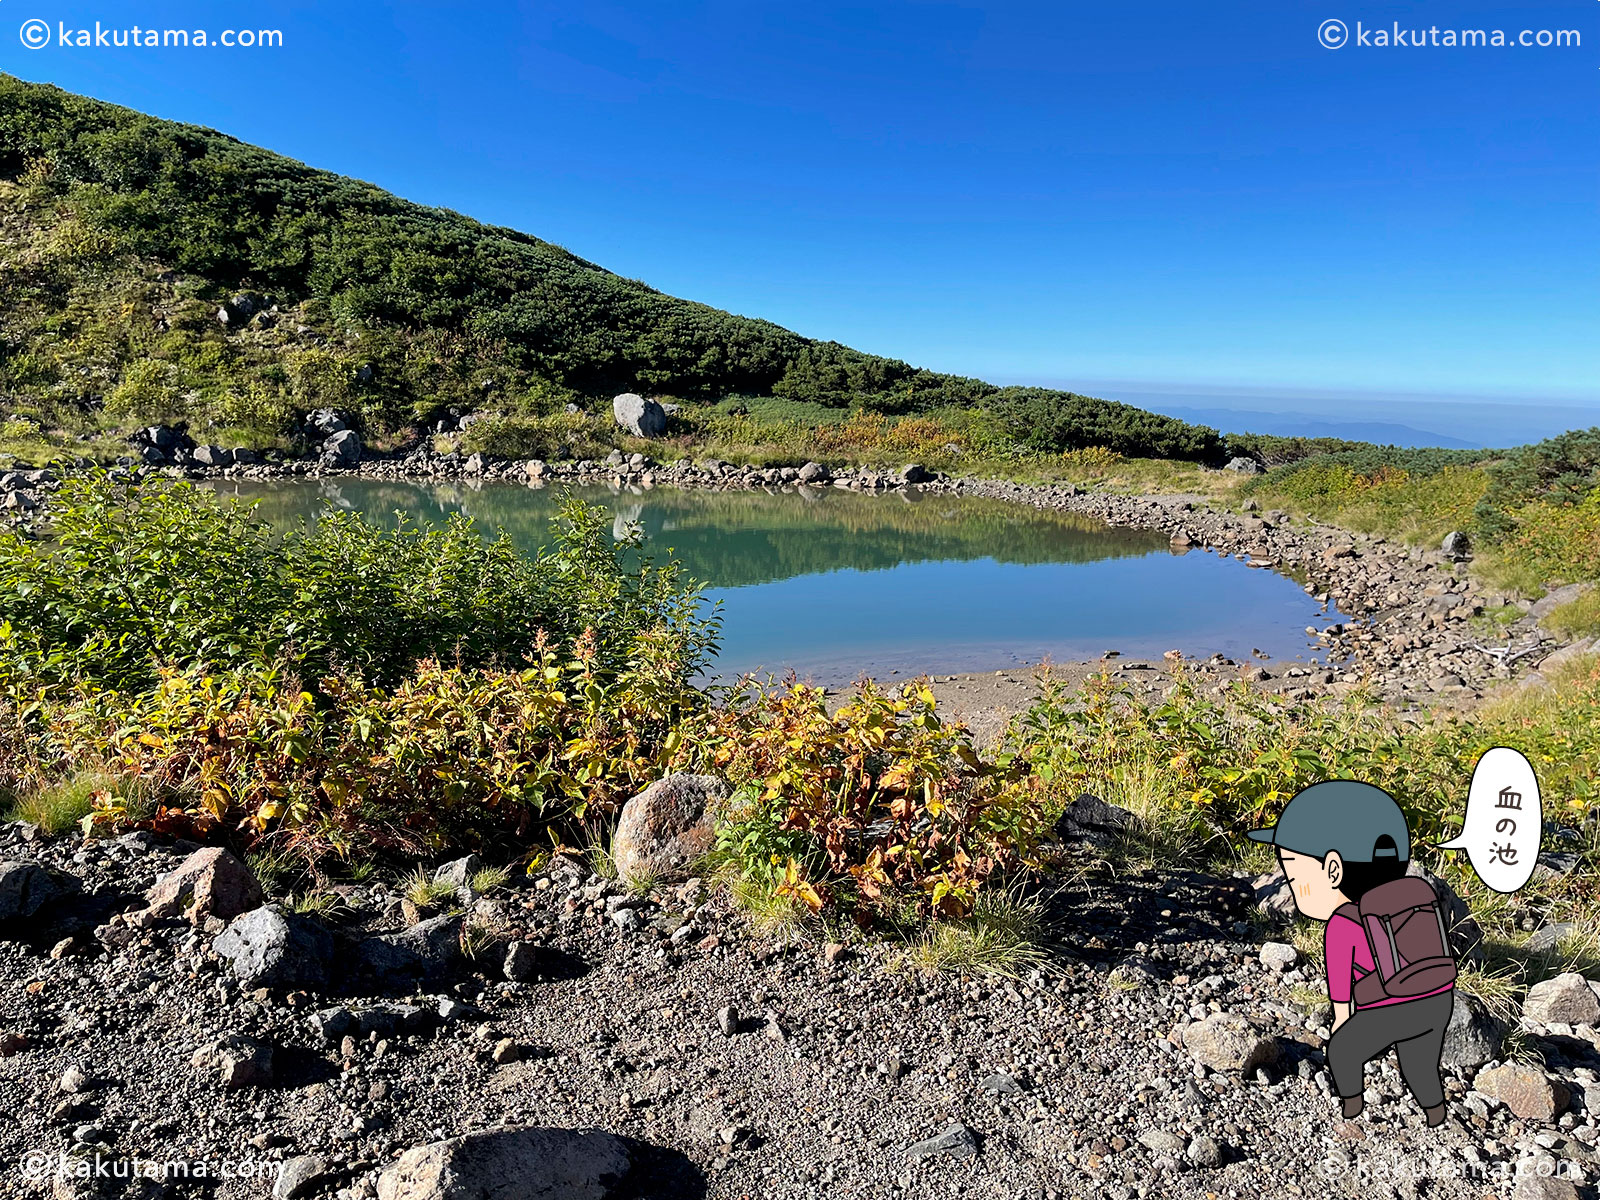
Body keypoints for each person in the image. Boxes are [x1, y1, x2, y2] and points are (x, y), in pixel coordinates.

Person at [1248, 780, 1455, 1127]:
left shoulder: (1342, 923)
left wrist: (1344, 1026)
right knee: (1418, 1061)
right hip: (1438, 996)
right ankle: (1435, 1112)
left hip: (1394, 1006)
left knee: (1343, 1052)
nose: (1292, 884)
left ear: (1333, 869)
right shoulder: (1414, 895)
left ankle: (1352, 1109)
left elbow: (1342, 993)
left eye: (1295, 873)